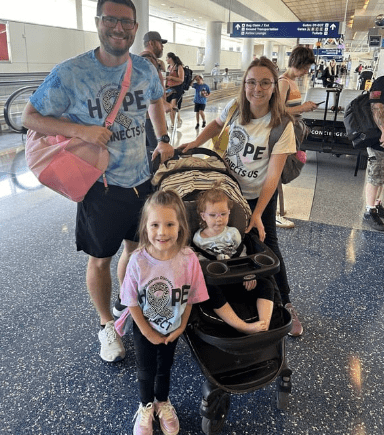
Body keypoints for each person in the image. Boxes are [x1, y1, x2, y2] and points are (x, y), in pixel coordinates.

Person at [21, 0, 174, 363]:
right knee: (100, 258)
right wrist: (81, 132)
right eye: (111, 20)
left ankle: (129, 302)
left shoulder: (144, 69)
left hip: (143, 182)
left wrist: (164, 138)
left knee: (137, 249)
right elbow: (29, 117)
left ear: (135, 28)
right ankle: (107, 324)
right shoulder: (71, 73)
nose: (118, 28)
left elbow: (155, 99)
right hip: (101, 187)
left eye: (126, 22)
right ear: (98, 23)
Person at [180, 56, 303, 336]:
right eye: (251, 82)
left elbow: (273, 176)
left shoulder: (282, 125)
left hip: (258, 195)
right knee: (217, 237)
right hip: (227, 192)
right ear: (244, 84)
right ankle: (224, 288)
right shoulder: (236, 106)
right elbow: (215, 124)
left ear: (274, 87)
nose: (256, 89)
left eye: (264, 83)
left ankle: (285, 302)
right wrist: (194, 144)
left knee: (266, 244)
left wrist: (258, 213)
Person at [118, 189, 209, 435]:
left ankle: (163, 402)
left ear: (181, 225)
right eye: (155, 224)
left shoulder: (189, 259)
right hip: (144, 328)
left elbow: (191, 297)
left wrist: (181, 326)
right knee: (146, 369)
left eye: (169, 224)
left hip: (173, 327)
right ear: (145, 227)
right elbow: (131, 301)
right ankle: (146, 405)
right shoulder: (138, 261)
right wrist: (147, 332)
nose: (162, 232)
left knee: (165, 367)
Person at [192, 185, 273, 334]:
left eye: (223, 214)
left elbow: (243, 255)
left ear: (229, 212)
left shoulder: (233, 233)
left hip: (239, 278)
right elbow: (200, 265)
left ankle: (264, 325)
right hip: (217, 282)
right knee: (209, 291)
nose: (219, 219)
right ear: (203, 216)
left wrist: (249, 274)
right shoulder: (198, 239)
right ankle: (241, 326)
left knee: (266, 284)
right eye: (213, 215)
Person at [277, 45, 317, 229]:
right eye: (305, 68)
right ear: (296, 63)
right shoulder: (283, 82)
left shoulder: (292, 82)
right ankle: (276, 212)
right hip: (282, 134)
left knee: (283, 169)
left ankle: (277, 210)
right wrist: (303, 108)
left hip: (291, 132)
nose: (305, 72)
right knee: (279, 171)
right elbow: (277, 111)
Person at [140, 31, 171, 149]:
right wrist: (163, 103)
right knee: (159, 152)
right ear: (151, 43)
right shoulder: (146, 60)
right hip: (151, 117)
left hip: (150, 116)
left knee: (152, 151)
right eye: (160, 43)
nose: (162, 46)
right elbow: (147, 87)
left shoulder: (151, 60)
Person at [363, 76, 384, 231]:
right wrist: (383, 131)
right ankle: (369, 210)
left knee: (382, 173)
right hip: (377, 137)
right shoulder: (381, 83)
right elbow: (376, 108)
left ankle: (378, 204)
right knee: (375, 173)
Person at [165, 52, 185, 131]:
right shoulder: (168, 67)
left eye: (167, 58)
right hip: (169, 88)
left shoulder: (178, 67)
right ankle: (174, 122)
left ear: (170, 58)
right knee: (170, 108)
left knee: (173, 106)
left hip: (177, 89)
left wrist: (171, 77)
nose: (166, 60)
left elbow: (181, 79)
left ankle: (175, 122)